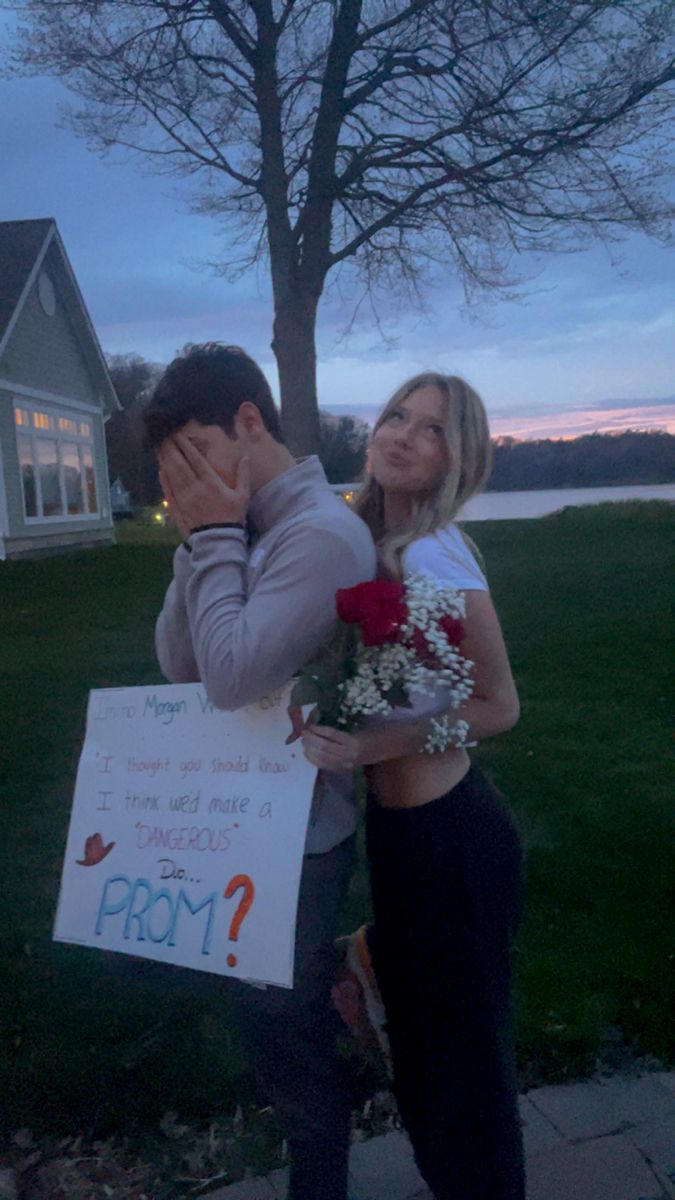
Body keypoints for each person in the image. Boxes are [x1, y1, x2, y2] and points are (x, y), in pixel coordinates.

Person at [143, 343, 376, 1200]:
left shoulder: (317, 533)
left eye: (192, 456)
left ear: (249, 421)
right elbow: (180, 663)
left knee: (283, 1028)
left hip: (301, 835)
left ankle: (324, 1175)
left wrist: (214, 537)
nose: (182, 482)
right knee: (267, 1024)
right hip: (242, 820)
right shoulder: (241, 526)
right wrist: (198, 541)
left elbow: (233, 677)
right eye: (169, 472)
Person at [300, 373, 526, 1200]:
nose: (400, 434)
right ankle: (370, 959)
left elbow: (498, 705)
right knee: (427, 1065)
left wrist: (371, 743)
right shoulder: (364, 543)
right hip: (400, 841)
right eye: (396, 415)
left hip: (453, 844)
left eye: (429, 430)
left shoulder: (432, 552)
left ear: (453, 458)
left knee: (462, 1081)